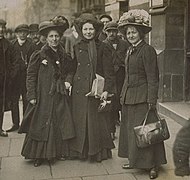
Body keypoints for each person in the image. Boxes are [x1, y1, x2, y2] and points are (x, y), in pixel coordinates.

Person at [117, 9, 167, 179]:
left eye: (134, 32)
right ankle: (135, 160)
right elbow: (127, 76)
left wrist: (151, 100)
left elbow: (153, 77)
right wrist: (122, 96)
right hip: (130, 97)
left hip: (143, 98)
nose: (131, 35)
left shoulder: (147, 50)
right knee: (133, 132)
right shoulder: (130, 50)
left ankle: (153, 165)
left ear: (141, 34)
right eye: (128, 32)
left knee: (148, 132)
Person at [19, 17, 75, 167]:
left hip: (59, 94)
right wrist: (31, 95)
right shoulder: (39, 55)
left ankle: (55, 152)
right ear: (46, 38)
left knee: (58, 123)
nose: (54, 39)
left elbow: (71, 70)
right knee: (40, 124)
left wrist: (68, 81)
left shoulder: (64, 55)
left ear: (60, 37)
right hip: (42, 96)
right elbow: (30, 76)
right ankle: (38, 155)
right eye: (51, 36)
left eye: (56, 36)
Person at [69, 13, 115, 162]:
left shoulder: (103, 47)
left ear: (96, 30)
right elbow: (72, 68)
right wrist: (69, 81)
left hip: (96, 89)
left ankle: (96, 152)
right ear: (81, 30)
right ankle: (80, 151)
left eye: (91, 29)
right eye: (85, 29)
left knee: (95, 121)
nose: (88, 32)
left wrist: (107, 90)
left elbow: (109, 71)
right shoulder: (76, 46)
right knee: (80, 120)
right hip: (79, 90)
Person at [6, 24, 36, 132]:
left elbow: (34, 60)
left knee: (26, 100)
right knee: (14, 101)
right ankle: (15, 124)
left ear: (27, 34)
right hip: (15, 78)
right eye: (20, 32)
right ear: (17, 33)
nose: (22, 34)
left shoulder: (31, 45)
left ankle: (26, 123)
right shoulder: (12, 44)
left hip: (26, 77)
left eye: (24, 32)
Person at [103, 21, 130, 140]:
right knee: (110, 106)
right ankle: (110, 130)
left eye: (114, 31)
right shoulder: (103, 45)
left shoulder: (124, 44)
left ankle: (125, 132)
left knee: (122, 104)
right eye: (109, 31)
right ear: (105, 32)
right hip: (109, 78)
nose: (112, 33)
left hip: (122, 77)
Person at [0, 19, 19, 137]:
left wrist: (11, 76)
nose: (1, 30)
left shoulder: (8, 45)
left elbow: (15, 62)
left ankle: (0, 128)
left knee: (1, 105)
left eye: (2, 27)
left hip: (3, 81)